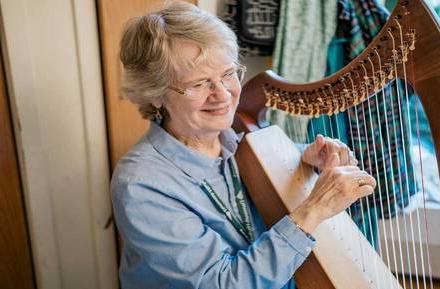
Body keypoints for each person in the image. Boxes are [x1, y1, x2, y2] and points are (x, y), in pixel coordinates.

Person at [111, 2, 376, 289]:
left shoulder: (237, 143)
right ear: (156, 94)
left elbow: (265, 180)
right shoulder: (141, 185)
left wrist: (307, 159)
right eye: (199, 84)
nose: (223, 94)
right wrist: (312, 211)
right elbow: (222, 283)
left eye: (228, 74)